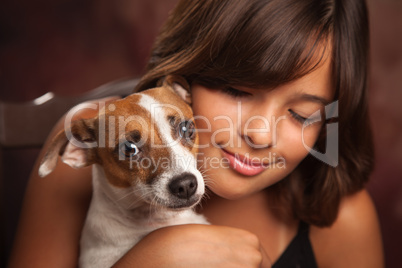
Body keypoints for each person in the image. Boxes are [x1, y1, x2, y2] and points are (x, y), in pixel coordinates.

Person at [9, 0, 384, 267]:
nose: (259, 133)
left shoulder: (344, 219)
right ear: (184, 78)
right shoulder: (89, 140)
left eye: (302, 115)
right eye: (237, 91)